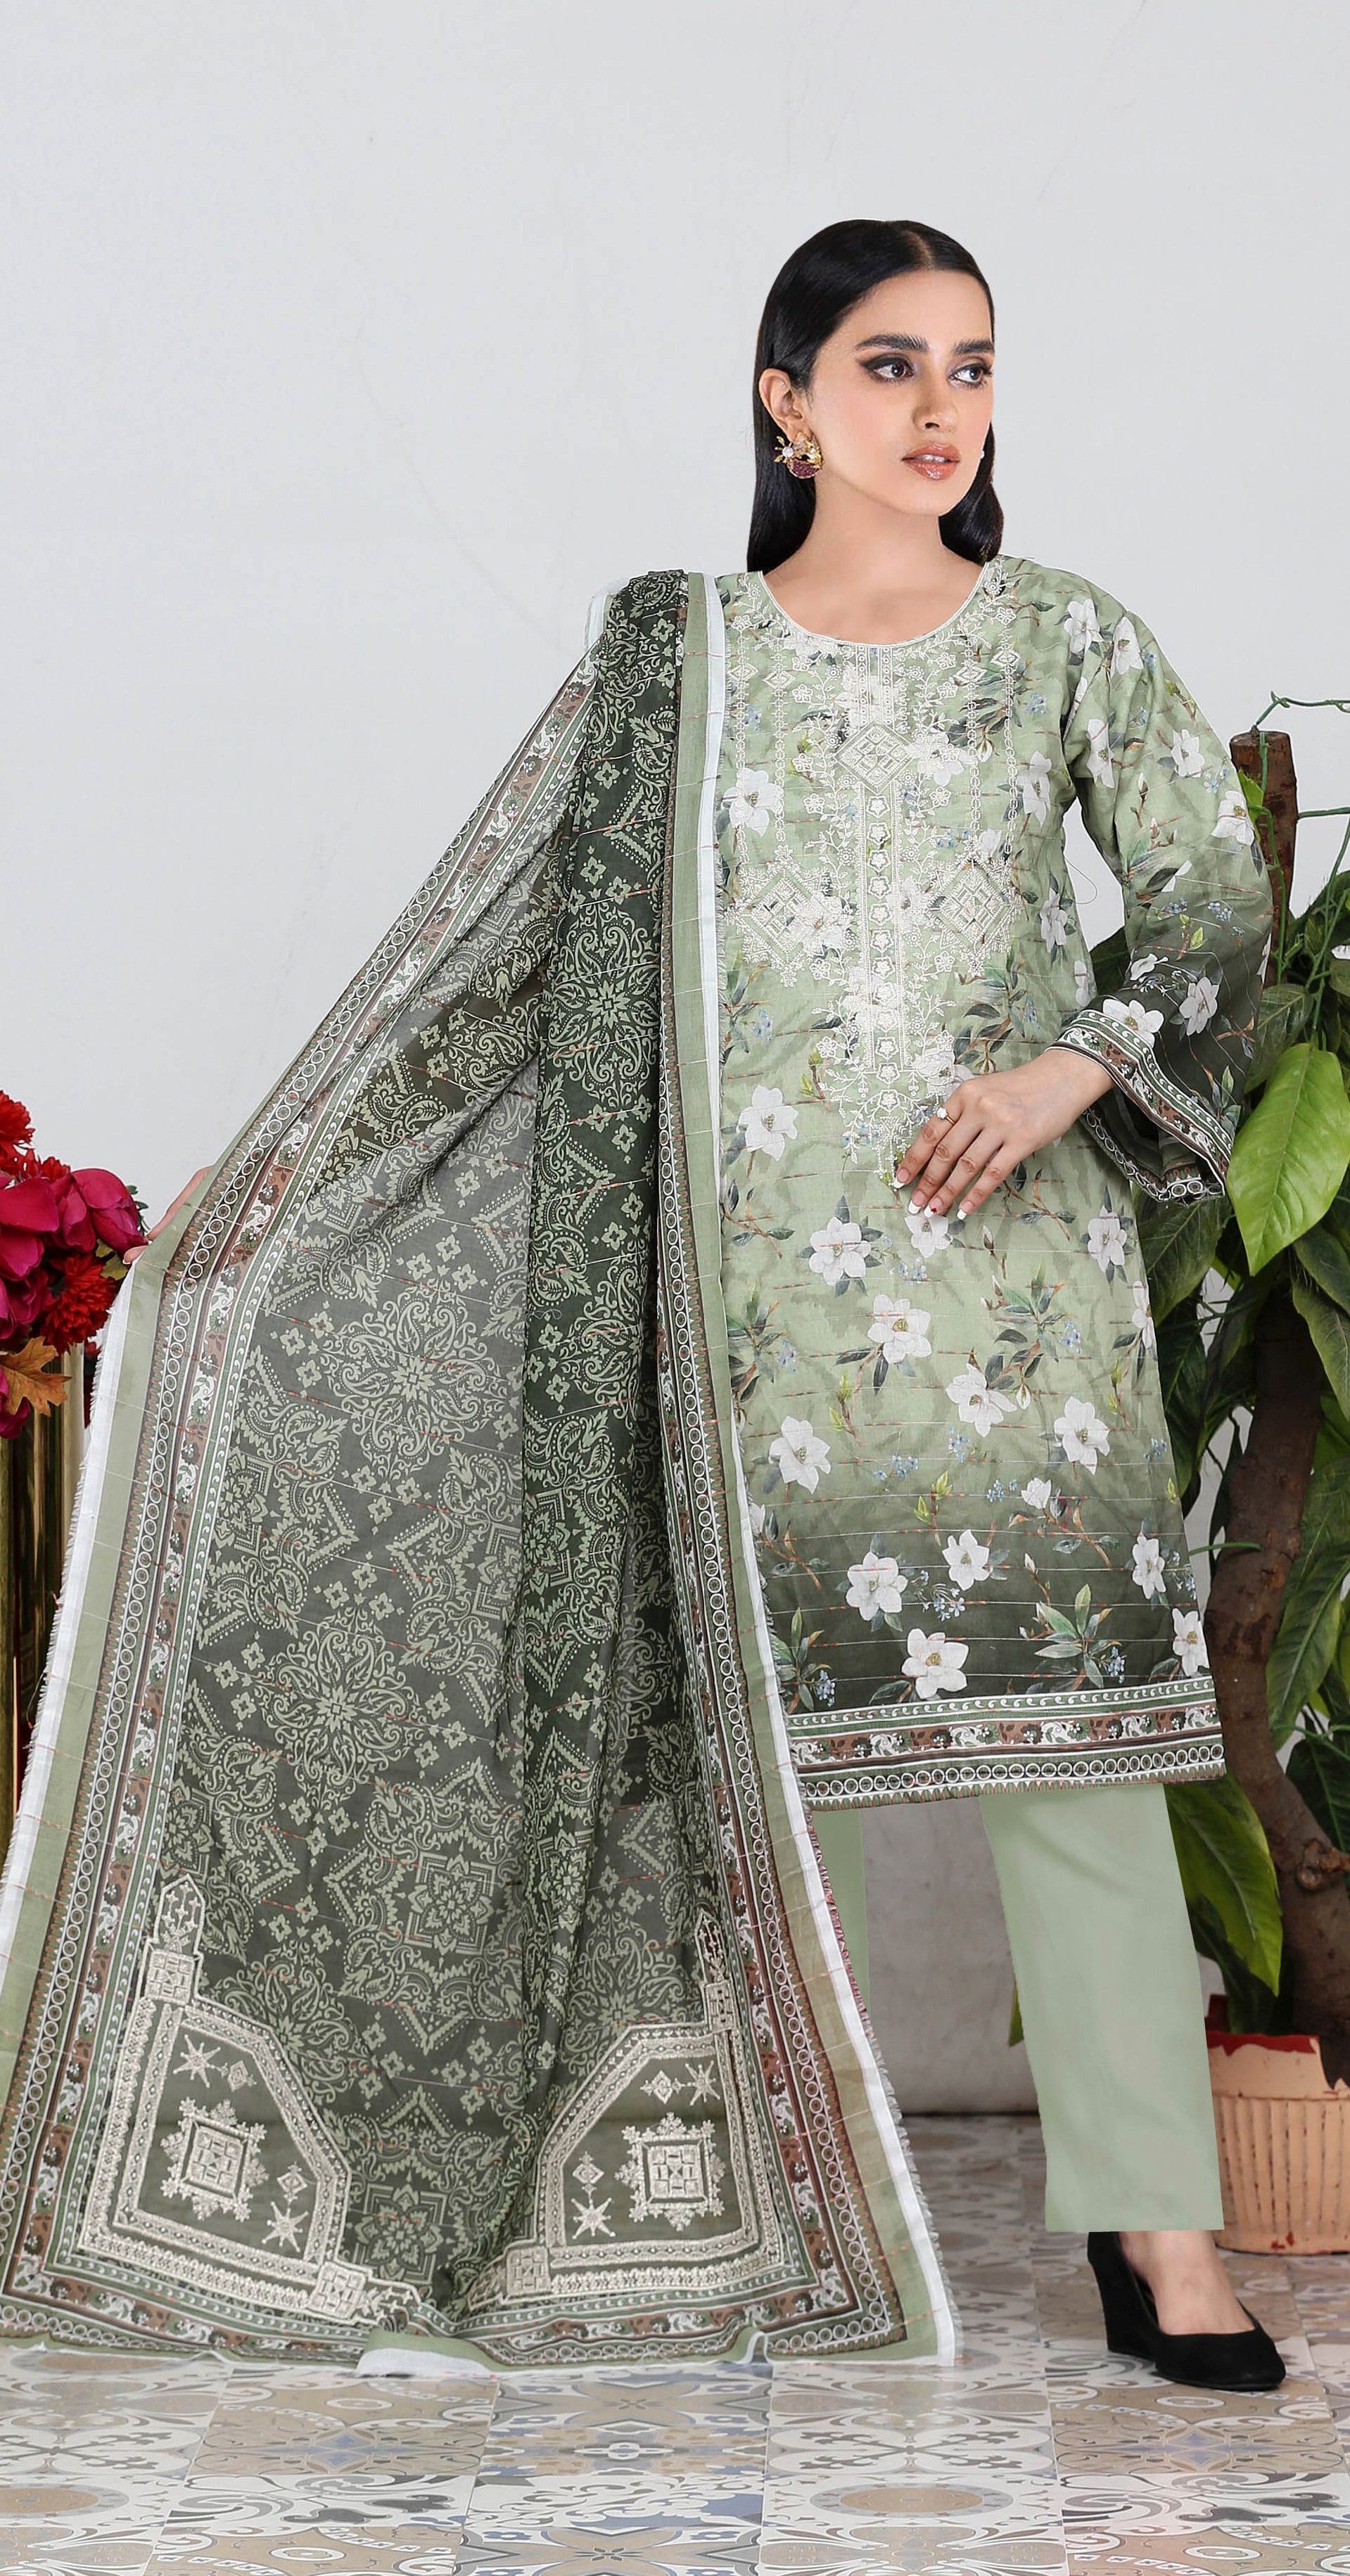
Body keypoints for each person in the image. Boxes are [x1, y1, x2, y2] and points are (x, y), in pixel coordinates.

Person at [0, 218, 1278, 2387]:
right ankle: (768, 2228)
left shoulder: (1069, 640)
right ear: (784, 403)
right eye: (889, 367)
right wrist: (279, 1163)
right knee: (747, 1783)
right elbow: (486, 942)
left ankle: (1163, 2243)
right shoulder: (670, 655)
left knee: (1078, 1762)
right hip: (727, 1306)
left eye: (972, 365)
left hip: (1014, 1304)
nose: (941, 406)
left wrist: (1071, 1067)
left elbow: (1213, 905)